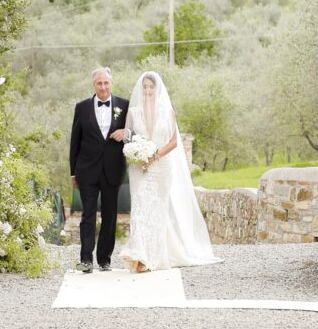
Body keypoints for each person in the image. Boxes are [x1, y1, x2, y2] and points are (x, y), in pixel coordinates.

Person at [118, 71, 221, 272]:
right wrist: (137, 155)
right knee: (140, 210)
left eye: (151, 87)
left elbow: (174, 142)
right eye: (145, 87)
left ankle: (154, 257)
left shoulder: (167, 112)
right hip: (139, 168)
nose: (148, 90)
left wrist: (154, 156)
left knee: (157, 211)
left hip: (161, 167)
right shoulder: (133, 112)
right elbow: (128, 138)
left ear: (157, 89)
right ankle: (139, 256)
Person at [69, 66, 129, 273]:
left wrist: (126, 132)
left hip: (113, 169)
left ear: (111, 84)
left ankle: (105, 259)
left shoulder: (125, 105)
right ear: (94, 85)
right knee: (88, 215)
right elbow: (74, 142)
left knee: (110, 215)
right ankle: (86, 259)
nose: (103, 87)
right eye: (99, 83)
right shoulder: (82, 107)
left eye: (106, 83)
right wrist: (73, 173)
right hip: (87, 170)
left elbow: (136, 132)